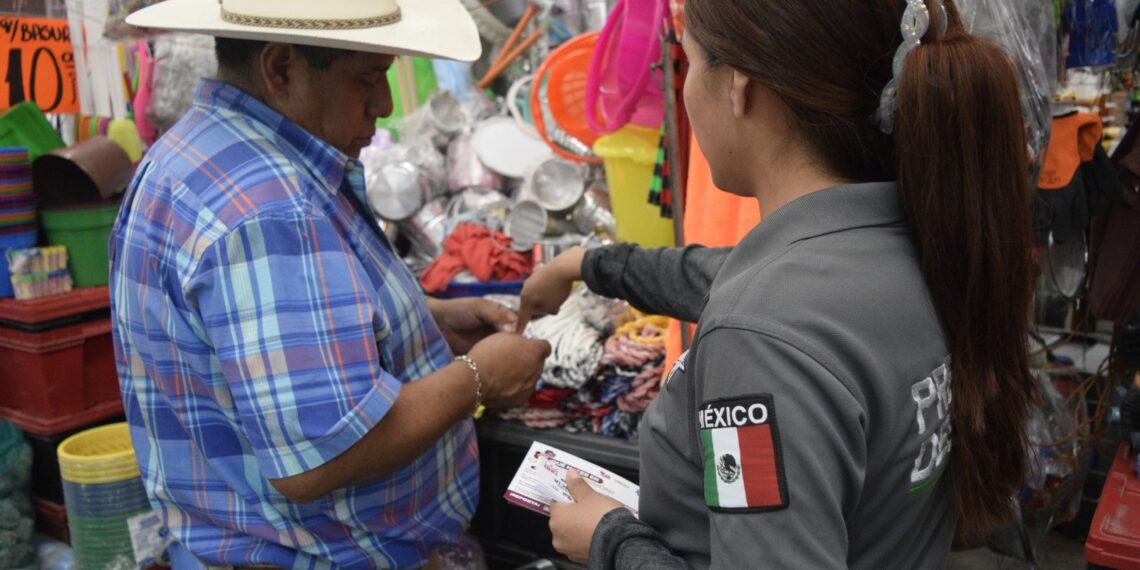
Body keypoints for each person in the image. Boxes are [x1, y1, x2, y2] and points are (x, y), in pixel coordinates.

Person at [518, 0, 1038, 567]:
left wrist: (610, 540)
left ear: (739, 86)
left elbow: (760, 320)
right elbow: (721, 277)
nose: (687, 92)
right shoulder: (904, 241)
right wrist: (585, 264)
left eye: (690, 63)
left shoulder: (759, 336)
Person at [109, 1, 550, 567]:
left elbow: (245, 340)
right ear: (281, 67)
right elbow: (319, 456)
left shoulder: (191, 149)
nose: (384, 103)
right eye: (367, 78)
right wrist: (477, 378)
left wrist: (423, 319)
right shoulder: (271, 209)